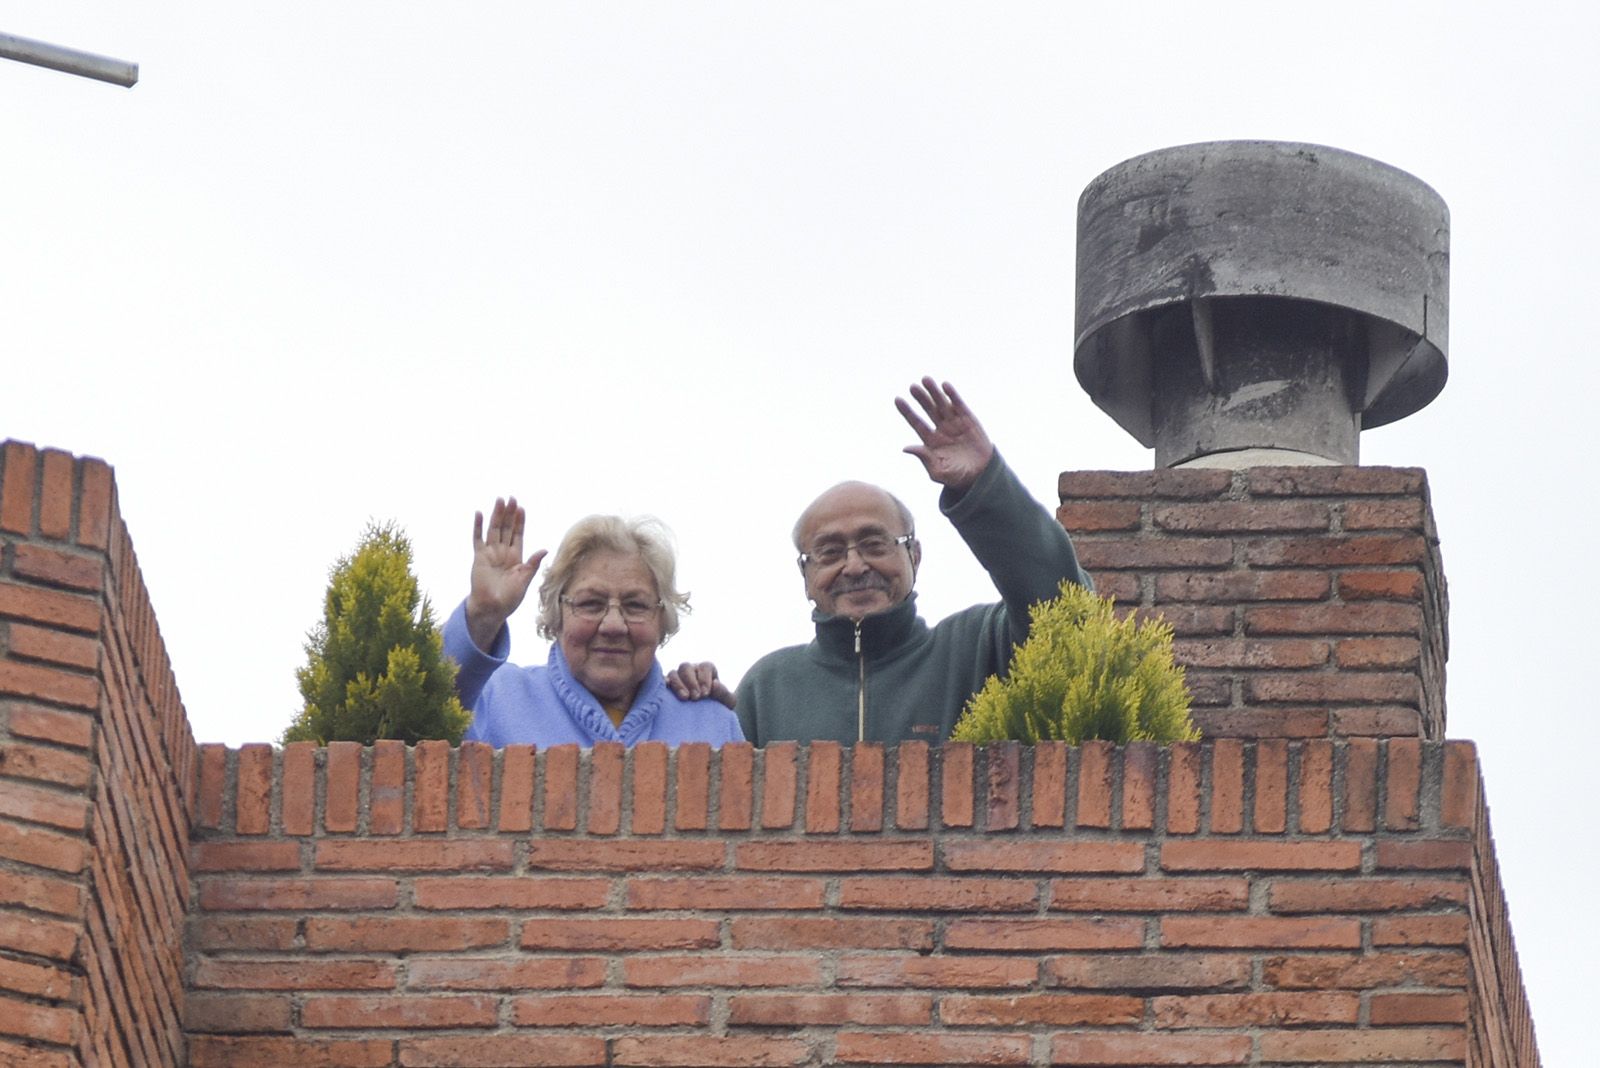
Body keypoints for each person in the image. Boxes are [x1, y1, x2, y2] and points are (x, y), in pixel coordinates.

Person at [730, 377, 1093, 745]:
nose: (854, 567)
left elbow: (1062, 604)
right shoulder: (767, 688)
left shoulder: (976, 649)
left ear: (914, 556)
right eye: (830, 553)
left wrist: (984, 487)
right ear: (805, 574)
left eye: (874, 544)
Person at [442, 502, 744, 747]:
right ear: (557, 615)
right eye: (590, 604)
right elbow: (419, 709)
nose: (613, 626)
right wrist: (483, 614)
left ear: (662, 620)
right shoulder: (496, 699)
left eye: (636, 605)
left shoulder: (711, 725)